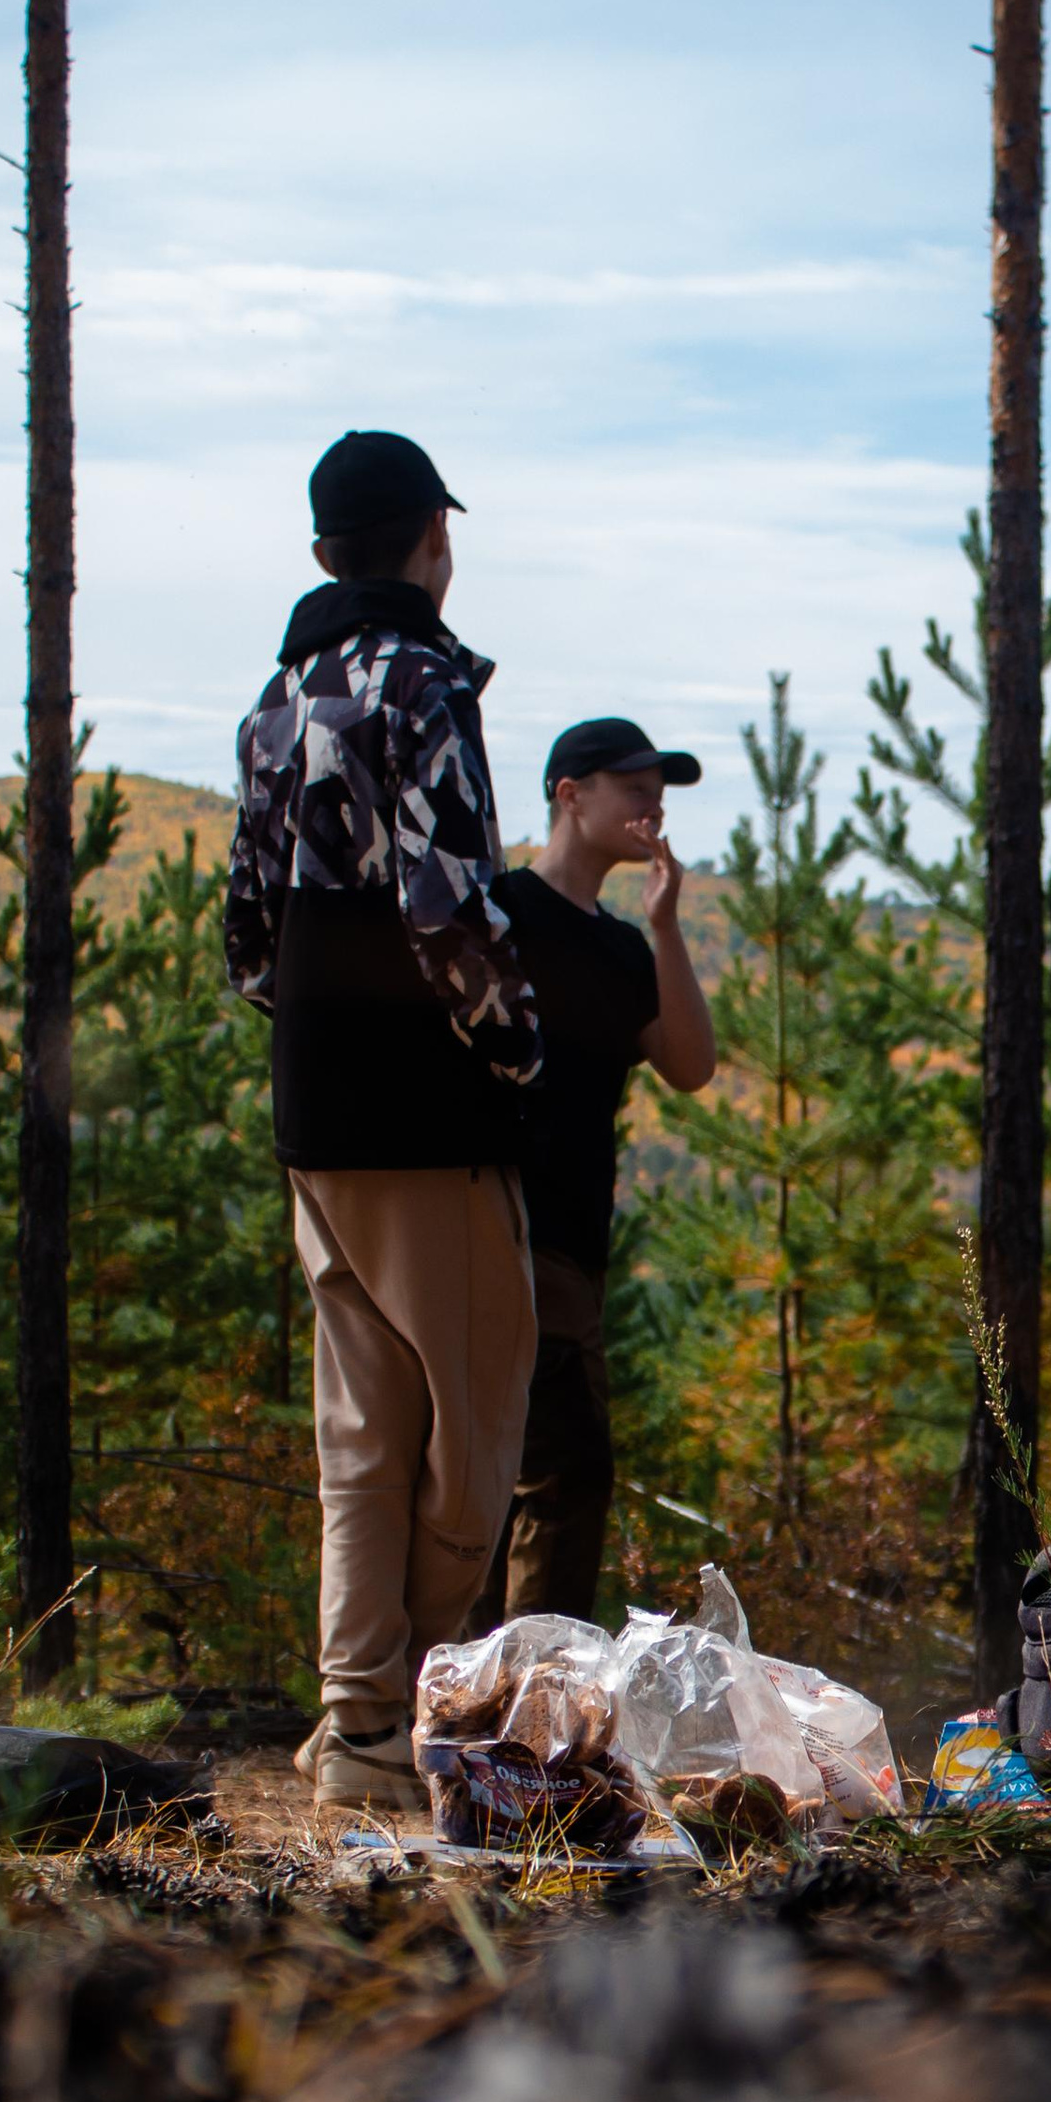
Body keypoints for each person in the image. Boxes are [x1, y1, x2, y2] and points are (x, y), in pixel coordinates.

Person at [226, 429, 541, 1813]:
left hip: (314, 1106)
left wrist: (314, 1027)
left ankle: (354, 1732)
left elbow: (247, 934)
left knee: (360, 1439)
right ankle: (403, 1710)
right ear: (434, 540)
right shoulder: (423, 681)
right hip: (426, 1106)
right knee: (475, 1441)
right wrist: (516, 1050)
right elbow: (448, 902)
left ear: (319, 552)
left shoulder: (273, 701)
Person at [477, 718, 722, 1623]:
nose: (653, 806)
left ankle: (487, 1680)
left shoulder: (622, 949)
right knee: (559, 1472)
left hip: (573, 1244)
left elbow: (691, 1064)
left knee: (535, 1473)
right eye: (634, 788)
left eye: (660, 792)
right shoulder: (499, 911)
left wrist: (664, 926)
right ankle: (524, 1684)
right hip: (493, 1222)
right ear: (569, 794)